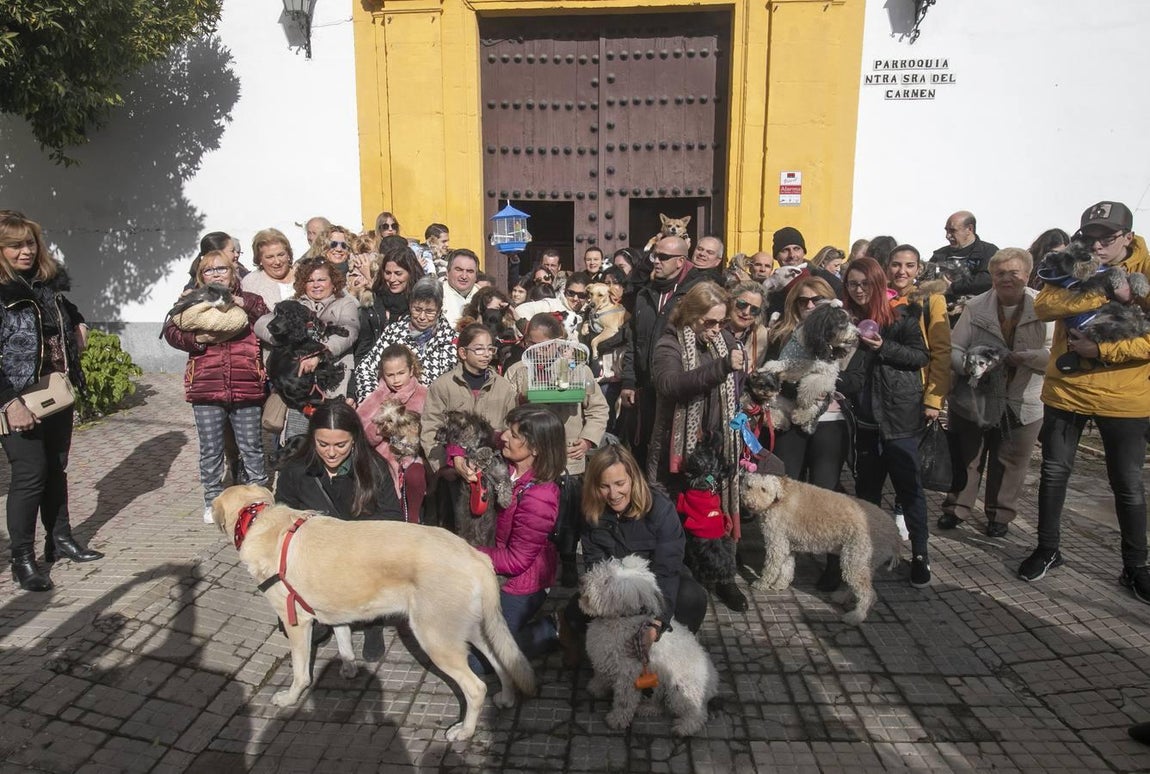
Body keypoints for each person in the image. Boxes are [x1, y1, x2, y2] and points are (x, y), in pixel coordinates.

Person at [1018, 201, 1150, 602]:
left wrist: (1103, 352)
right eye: (1089, 237)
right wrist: (1103, 287)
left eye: (1106, 238)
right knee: (1054, 474)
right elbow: (1044, 306)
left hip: (1125, 397)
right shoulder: (1072, 262)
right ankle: (1048, 548)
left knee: (1127, 484)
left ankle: (1136, 566)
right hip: (1067, 391)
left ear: (1128, 237)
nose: (1096, 246)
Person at [0, 213, 102, 592]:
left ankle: (59, 541)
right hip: (16, 396)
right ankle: (21, 560)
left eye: (29, 243)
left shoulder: (44, 283)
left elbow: (61, 311)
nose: (25, 251)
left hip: (54, 390)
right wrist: (10, 403)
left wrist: (78, 320)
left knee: (56, 468)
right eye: (15, 245)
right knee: (29, 475)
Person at [275, 400, 403, 661]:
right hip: (316, 559)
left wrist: (352, 538)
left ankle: (372, 620)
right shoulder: (296, 471)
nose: (331, 453)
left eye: (340, 445)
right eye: (323, 444)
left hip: (362, 556)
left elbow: (393, 520)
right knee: (296, 626)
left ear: (354, 440)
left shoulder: (374, 468)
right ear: (312, 439)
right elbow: (282, 515)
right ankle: (322, 609)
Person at [649, 281, 747, 611]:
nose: (717, 329)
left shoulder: (724, 341)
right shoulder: (669, 342)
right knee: (674, 517)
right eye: (710, 322)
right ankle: (678, 581)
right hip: (676, 451)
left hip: (717, 447)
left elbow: (738, 386)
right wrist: (721, 368)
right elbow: (670, 384)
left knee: (718, 514)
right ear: (691, 315)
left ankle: (723, 576)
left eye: (722, 322)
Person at [941, 248, 1052, 538]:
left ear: (1027, 275)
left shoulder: (1046, 307)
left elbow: (1057, 352)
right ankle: (957, 508)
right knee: (968, 457)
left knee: (1011, 461)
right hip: (976, 396)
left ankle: (1000, 515)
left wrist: (1028, 357)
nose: (1006, 279)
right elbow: (955, 346)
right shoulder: (977, 306)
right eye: (999, 273)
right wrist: (969, 365)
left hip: (1024, 396)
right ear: (991, 276)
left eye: (1014, 273)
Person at [838, 257, 932, 587]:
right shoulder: (846, 320)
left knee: (910, 490)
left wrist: (884, 347)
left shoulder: (902, 316)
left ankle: (920, 553)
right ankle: (869, 551)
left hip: (898, 417)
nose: (860, 289)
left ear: (878, 284)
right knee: (866, 492)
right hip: (864, 420)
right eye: (853, 284)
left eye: (865, 283)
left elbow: (921, 357)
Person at [164, 249, 271, 523]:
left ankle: (259, 497)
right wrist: (197, 340)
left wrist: (238, 301)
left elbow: (264, 316)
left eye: (222, 269)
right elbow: (172, 331)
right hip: (206, 385)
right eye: (209, 270)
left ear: (233, 270)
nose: (216, 274)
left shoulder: (249, 299)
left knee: (252, 446)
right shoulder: (192, 301)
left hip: (245, 382)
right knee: (211, 448)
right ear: (201, 275)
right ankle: (212, 500)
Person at [506, 313, 608, 586]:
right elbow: (506, 410)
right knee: (532, 512)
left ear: (558, 343)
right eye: (530, 343)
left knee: (567, 512)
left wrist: (587, 440)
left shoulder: (578, 370)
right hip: (531, 456)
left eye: (542, 345)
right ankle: (532, 558)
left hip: (567, 456)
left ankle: (567, 558)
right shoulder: (518, 371)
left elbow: (598, 408)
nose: (534, 350)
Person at [467, 405, 565, 673]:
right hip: (492, 565)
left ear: (535, 447)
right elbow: (462, 440)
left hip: (521, 582)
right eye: (507, 430)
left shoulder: (540, 496)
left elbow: (517, 560)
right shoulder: (502, 467)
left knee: (477, 663)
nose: (504, 438)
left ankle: (553, 628)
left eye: (513, 434)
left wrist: (467, 553)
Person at [576, 445, 708, 641]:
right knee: (578, 612)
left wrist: (656, 623)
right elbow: (594, 563)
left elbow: (667, 569)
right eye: (604, 486)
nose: (613, 494)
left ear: (633, 479)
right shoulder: (591, 511)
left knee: (691, 597)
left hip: (656, 583)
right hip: (616, 588)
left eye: (620, 483)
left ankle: (674, 644)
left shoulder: (661, 509)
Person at [619, 236, 705, 470]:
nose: (656, 261)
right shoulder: (645, 295)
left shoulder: (695, 294)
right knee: (641, 451)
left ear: (680, 261)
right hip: (645, 389)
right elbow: (634, 341)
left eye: (663, 257)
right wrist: (628, 381)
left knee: (672, 455)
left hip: (680, 389)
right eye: (655, 256)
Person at [420, 324, 519, 528]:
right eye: (479, 349)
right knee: (453, 527)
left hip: (491, 469)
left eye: (490, 349)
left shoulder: (503, 387)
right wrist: (443, 467)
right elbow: (431, 428)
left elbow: (510, 428)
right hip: (453, 472)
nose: (486, 355)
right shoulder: (443, 386)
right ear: (463, 352)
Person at [255, 257, 360, 438]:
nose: (316, 285)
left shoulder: (346, 303)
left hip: (332, 381)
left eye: (321, 280)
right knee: (298, 437)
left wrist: (319, 353)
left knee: (330, 436)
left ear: (333, 283)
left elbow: (349, 331)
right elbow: (261, 324)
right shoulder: (295, 304)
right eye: (310, 280)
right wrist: (286, 338)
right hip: (298, 388)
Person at [353, 276, 457, 402]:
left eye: (429, 311)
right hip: (393, 408)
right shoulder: (394, 332)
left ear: (439, 310)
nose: (422, 317)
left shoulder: (451, 341)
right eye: (417, 309)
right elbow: (366, 368)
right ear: (410, 305)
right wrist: (373, 401)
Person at [357, 344, 429, 522]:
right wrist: (381, 430)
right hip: (381, 461)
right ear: (383, 374)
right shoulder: (376, 397)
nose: (396, 380)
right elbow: (360, 432)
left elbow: (431, 428)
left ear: (411, 370)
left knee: (416, 474)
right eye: (390, 375)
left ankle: (414, 519)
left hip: (413, 458)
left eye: (401, 373)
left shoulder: (424, 394)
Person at [353, 240, 425, 376]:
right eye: (388, 273)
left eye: (398, 273)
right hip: (373, 371)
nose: (392, 279)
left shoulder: (421, 306)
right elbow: (364, 345)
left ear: (411, 273)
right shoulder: (372, 301)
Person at [929, 211, 1000, 314]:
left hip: (979, 315)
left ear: (969, 229)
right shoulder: (939, 255)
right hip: (944, 316)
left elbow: (988, 280)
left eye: (952, 231)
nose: (948, 236)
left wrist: (954, 287)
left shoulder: (989, 251)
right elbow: (926, 281)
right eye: (946, 230)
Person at [514, 270, 589, 340]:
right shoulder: (552, 304)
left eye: (581, 295)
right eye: (571, 293)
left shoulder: (590, 313)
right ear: (565, 290)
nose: (575, 298)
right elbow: (520, 310)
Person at [242, 228, 296, 309]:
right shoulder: (252, 283)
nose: (277, 262)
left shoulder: (305, 274)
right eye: (270, 257)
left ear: (288, 255)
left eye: (281, 255)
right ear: (260, 259)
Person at [726, 281, 770, 369]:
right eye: (742, 304)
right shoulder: (715, 326)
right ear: (731, 301)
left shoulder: (760, 335)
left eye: (754, 309)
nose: (746, 312)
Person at [442, 249, 480, 329]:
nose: (464, 276)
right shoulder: (436, 296)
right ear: (447, 272)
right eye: (459, 270)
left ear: (476, 276)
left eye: (470, 271)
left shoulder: (484, 298)